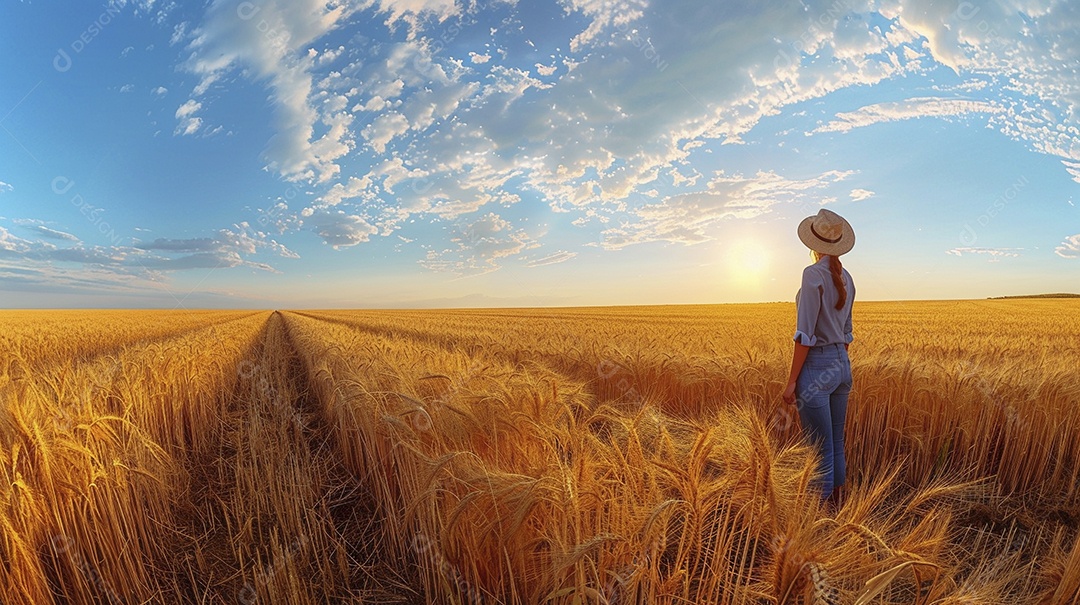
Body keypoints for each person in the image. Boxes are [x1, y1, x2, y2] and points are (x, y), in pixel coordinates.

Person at [781, 208, 855, 507]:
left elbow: (805, 336)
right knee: (835, 442)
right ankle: (837, 505)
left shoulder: (812, 274)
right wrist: (837, 364)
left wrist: (791, 382)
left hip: (816, 367)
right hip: (841, 365)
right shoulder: (847, 276)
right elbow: (847, 332)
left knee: (817, 448)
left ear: (813, 243)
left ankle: (819, 519)